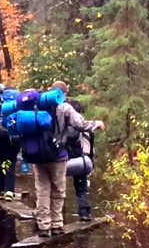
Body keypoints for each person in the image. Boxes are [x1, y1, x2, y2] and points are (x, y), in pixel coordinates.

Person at [33, 80, 104, 238]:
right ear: (63, 94)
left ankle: (44, 227)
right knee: (58, 191)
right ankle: (57, 225)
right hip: (58, 157)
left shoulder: (38, 106)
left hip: (38, 157)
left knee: (43, 192)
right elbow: (80, 124)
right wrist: (96, 124)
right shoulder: (65, 107)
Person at [67, 100, 95, 222]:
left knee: (54, 187)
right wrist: (90, 164)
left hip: (62, 161)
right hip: (80, 161)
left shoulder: (60, 126)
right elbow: (89, 149)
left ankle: (51, 217)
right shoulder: (85, 127)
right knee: (81, 187)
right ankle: (84, 213)